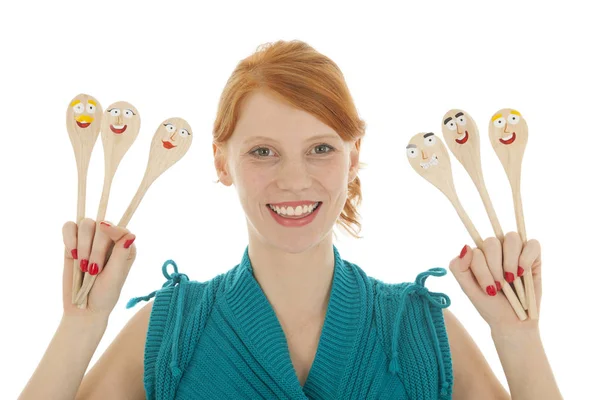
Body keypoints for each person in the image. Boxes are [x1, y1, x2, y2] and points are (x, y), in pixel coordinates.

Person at [19, 40, 562, 400]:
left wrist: (517, 336)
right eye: (263, 152)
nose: (295, 180)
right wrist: (81, 323)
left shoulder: (418, 331)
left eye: (321, 148)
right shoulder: (171, 332)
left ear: (353, 155)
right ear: (220, 160)